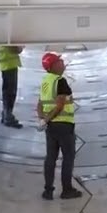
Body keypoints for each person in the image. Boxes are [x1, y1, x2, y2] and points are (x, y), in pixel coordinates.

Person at [37, 52, 82, 200]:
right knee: (68, 157)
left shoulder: (45, 81)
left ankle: (48, 191)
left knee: (50, 158)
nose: (63, 64)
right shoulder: (60, 81)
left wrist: (43, 119)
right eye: (60, 61)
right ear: (53, 65)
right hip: (64, 125)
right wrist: (48, 118)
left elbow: (39, 104)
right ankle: (67, 190)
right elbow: (60, 105)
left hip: (51, 127)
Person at [0, 45, 24, 128]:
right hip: (9, 63)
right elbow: (14, 49)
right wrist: (20, 47)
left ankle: (5, 114)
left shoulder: (4, 33)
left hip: (6, 62)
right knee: (10, 92)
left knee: (7, 91)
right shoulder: (8, 33)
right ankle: (8, 117)